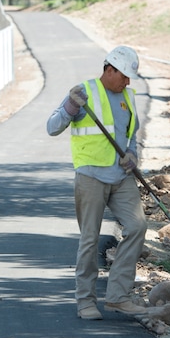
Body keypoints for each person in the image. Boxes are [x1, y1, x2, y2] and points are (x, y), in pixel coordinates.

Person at [47, 45, 148, 320]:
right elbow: (52, 127)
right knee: (90, 239)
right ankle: (85, 301)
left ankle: (118, 296)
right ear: (109, 69)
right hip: (91, 176)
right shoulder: (84, 92)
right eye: (123, 76)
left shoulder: (128, 96)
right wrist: (69, 107)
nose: (127, 81)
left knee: (138, 225)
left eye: (129, 77)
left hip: (121, 177)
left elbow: (131, 136)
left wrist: (132, 156)